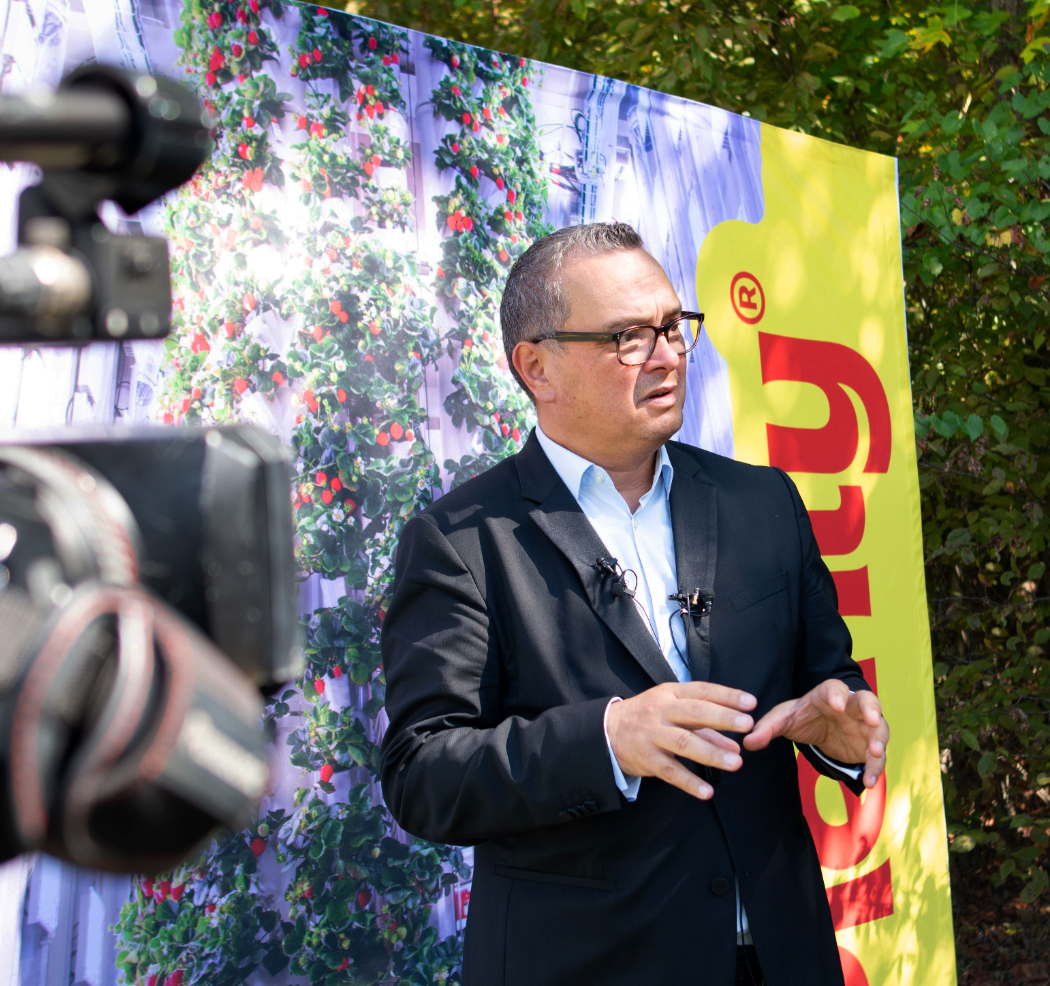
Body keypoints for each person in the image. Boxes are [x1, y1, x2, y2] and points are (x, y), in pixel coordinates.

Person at [379, 222, 890, 986]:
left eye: (672, 327)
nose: (667, 355)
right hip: (592, 964)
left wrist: (839, 730)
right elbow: (424, 772)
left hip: (782, 954)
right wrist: (608, 740)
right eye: (626, 336)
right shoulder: (461, 541)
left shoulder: (763, 502)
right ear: (537, 367)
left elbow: (829, 682)